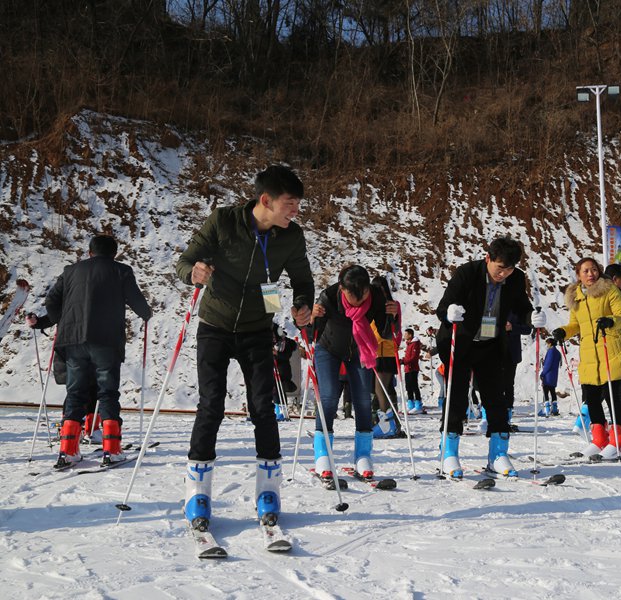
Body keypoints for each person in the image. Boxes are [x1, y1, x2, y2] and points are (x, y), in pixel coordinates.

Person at [176, 165, 315, 530]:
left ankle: (268, 489)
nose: (295, 211)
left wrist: (303, 304)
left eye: (297, 204)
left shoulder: (291, 236)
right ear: (265, 200)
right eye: (289, 204)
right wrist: (193, 273)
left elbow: (303, 279)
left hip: (257, 328)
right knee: (211, 405)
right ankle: (197, 492)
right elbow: (185, 260)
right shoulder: (224, 221)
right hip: (215, 326)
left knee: (263, 407)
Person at [44, 234, 152, 467]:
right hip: (106, 341)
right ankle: (111, 450)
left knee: (75, 393)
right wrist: (146, 313)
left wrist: (62, 320)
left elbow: (51, 301)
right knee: (107, 392)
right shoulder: (121, 271)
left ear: (90, 252)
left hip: (73, 339)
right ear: (114, 254)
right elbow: (138, 303)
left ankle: (67, 451)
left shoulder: (71, 271)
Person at [436, 236, 538, 478]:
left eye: (509, 269)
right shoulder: (467, 273)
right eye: (500, 268)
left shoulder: (515, 278)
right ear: (488, 258)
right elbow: (443, 308)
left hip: (490, 345)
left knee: (496, 399)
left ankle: (498, 454)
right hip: (460, 343)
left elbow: (522, 308)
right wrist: (450, 313)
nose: (503, 274)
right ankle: (449, 453)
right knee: (457, 398)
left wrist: (531, 318)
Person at [311, 265, 398, 479]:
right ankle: (323, 454)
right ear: (342, 288)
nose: (358, 301)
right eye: (353, 296)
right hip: (328, 349)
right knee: (329, 396)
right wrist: (312, 317)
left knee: (363, 399)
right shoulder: (329, 296)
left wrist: (392, 316)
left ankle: (363, 455)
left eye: (363, 295)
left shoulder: (376, 297)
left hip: (360, 349)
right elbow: (311, 331)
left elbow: (386, 334)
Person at [551, 257, 621, 460]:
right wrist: (564, 331)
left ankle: (619, 443)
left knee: (613, 399)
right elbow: (575, 325)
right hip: (589, 355)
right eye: (586, 271)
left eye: (594, 270)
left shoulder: (609, 290)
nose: (591, 274)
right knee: (592, 398)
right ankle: (599, 440)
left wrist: (611, 321)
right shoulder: (576, 298)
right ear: (578, 275)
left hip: (610, 350)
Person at [26, 312, 102, 444]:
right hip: (73, 349)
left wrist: (38, 322)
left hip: (82, 347)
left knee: (87, 389)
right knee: (80, 389)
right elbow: (55, 312)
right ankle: (77, 430)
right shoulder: (70, 301)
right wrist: (38, 322)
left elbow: (55, 312)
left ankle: (83, 429)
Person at [369, 275, 404, 437]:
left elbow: (396, 329)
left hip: (386, 352)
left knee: (381, 389)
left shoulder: (392, 305)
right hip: (375, 352)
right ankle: (388, 423)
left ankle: (388, 424)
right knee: (381, 390)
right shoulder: (371, 305)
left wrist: (394, 316)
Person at [502, 313, 533, 426]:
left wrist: (512, 327)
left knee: (508, 384)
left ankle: (507, 417)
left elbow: (527, 329)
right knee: (493, 385)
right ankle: (488, 416)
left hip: (511, 354)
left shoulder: (517, 310)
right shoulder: (493, 305)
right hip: (494, 351)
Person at [401, 328, 424, 414]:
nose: (404, 336)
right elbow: (408, 356)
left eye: (406, 334)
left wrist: (404, 361)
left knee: (414, 386)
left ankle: (418, 405)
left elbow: (414, 357)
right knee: (408, 386)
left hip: (413, 368)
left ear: (410, 335)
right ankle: (411, 404)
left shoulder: (415, 344)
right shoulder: (409, 344)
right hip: (407, 368)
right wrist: (403, 360)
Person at [539, 338, 562, 416]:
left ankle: (546, 410)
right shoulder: (558, 352)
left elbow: (548, 364)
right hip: (554, 375)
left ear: (550, 343)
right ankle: (554, 409)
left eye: (547, 343)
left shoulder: (551, 351)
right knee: (552, 391)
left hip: (548, 375)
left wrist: (542, 373)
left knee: (545, 391)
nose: (547, 345)